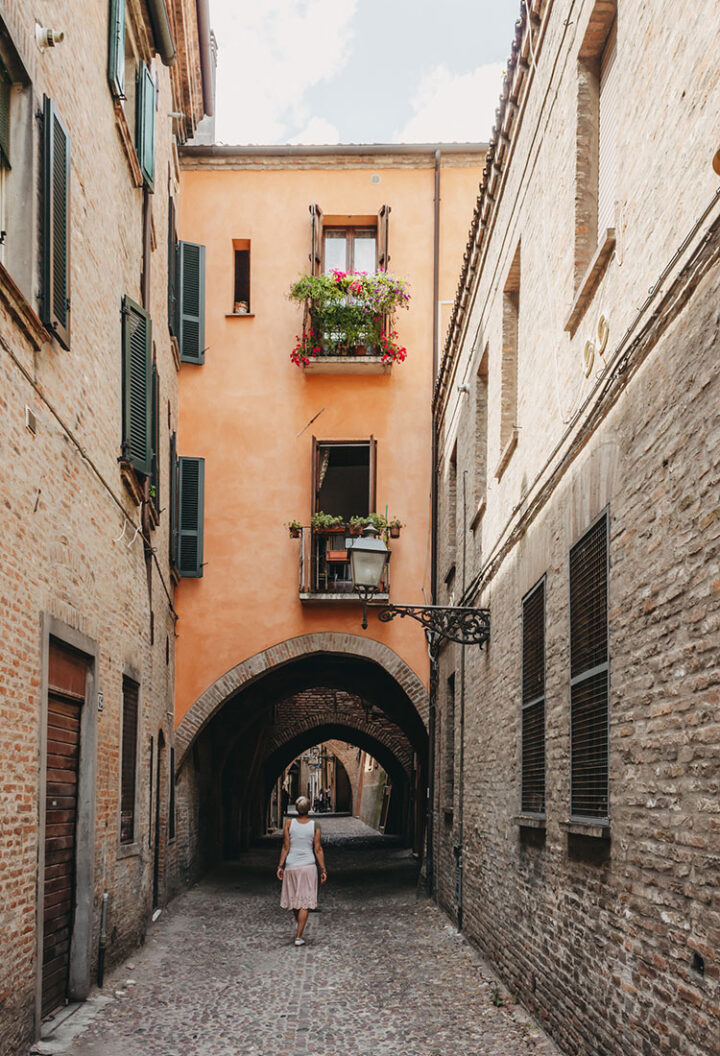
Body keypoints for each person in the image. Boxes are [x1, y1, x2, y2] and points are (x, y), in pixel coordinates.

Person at [276, 795, 327, 946]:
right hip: (308, 866)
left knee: (295, 900)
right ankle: (299, 936)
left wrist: (280, 866)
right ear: (309, 808)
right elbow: (318, 848)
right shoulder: (315, 825)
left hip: (291, 865)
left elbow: (286, 846)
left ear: (297, 809)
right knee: (304, 902)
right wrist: (323, 869)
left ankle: (299, 929)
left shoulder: (288, 823)